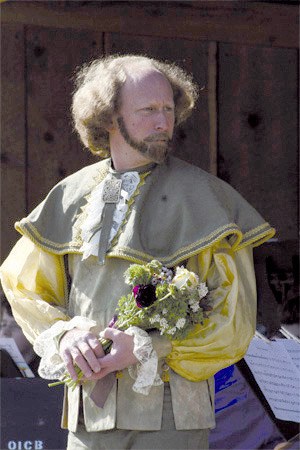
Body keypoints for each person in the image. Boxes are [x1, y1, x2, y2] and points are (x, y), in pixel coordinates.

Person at [0, 54, 275, 450]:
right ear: (109, 117)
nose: (163, 122)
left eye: (168, 109)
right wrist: (64, 336)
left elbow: (235, 320)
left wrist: (152, 346)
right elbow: (23, 286)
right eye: (148, 110)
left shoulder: (207, 199)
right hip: (87, 414)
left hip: (171, 415)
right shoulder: (69, 196)